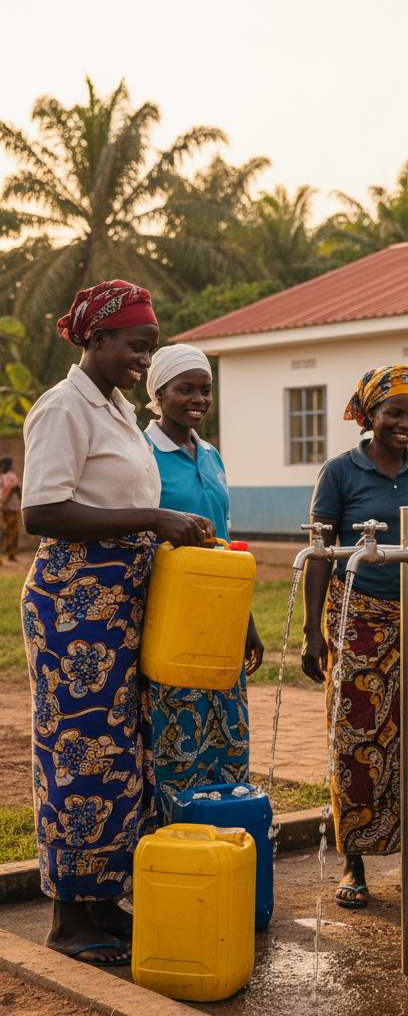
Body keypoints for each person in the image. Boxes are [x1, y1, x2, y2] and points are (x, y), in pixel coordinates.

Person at [21, 281, 215, 967]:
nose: (144, 357)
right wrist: (154, 520)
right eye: (137, 345)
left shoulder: (117, 408)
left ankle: (106, 901)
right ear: (96, 340)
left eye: (150, 346)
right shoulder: (63, 408)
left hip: (121, 602)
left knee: (124, 753)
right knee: (79, 754)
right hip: (75, 605)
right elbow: (41, 512)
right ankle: (67, 918)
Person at [300, 366, 408, 909]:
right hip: (356, 620)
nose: (405, 423)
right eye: (393, 412)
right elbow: (321, 556)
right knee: (357, 740)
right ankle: (354, 863)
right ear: (369, 414)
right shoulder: (340, 473)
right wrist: (311, 632)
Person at [143, 344, 264, 820]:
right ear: (158, 393)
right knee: (175, 733)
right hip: (171, 615)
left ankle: (224, 828)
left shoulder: (210, 454)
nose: (197, 398)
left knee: (227, 729)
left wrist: (244, 618)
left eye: (205, 389)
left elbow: (226, 542)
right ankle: (172, 839)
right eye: (185, 388)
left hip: (221, 612)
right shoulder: (143, 452)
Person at [0, 456, 21, 560]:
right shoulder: (8, 476)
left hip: (9, 508)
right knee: (10, 530)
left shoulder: (10, 476)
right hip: (8, 508)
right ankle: (10, 553)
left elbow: (8, 490)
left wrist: (2, 501)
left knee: (9, 530)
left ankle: (10, 553)